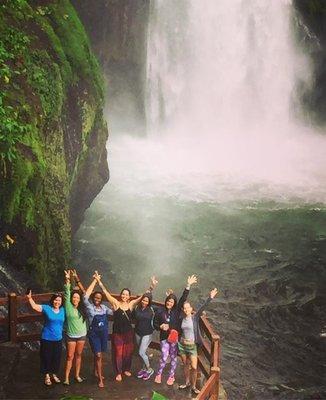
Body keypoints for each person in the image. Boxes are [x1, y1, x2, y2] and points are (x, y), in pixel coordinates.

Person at [94, 272, 157, 381]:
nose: (124, 296)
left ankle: (126, 369)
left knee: (128, 352)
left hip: (128, 333)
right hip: (117, 333)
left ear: (129, 296)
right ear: (121, 295)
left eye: (127, 294)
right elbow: (106, 293)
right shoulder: (116, 303)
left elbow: (143, 297)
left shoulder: (131, 304)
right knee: (118, 353)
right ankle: (118, 372)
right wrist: (99, 281)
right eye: (123, 294)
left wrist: (151, 286)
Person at [154, 275, 197, 386]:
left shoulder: (176, 311)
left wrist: (188, 285)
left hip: (174, 339)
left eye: (172, 302)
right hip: (164, 338)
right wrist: (160, 326)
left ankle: (171, 376)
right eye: (168, 301)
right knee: (164, 356)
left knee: (173, 357)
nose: (169, 303)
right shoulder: (160, 311)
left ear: (174, 303)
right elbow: (155, 324)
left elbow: (183, 298)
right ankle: (159, 373)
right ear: (166, 301)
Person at [75, 270, 113, 388]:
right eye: (95, 297)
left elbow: (115, 311)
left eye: (99, 297)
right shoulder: (89, 307)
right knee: (98, 355)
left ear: (101, 299)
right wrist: (95, 281)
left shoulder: (104, 308)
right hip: (94, 334)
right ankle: (100, 379)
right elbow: (85, 296)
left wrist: (120, 303)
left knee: (99, 354)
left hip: (103, 334)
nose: (97, 298)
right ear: (93, 298)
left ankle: (95, 371)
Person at [178, 287, 218, 395]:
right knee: (186, 364)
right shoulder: (181, 318)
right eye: (184, 308)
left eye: (188, 308)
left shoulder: (194, 317)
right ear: (183, 309)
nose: (186, 310)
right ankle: (186, 382)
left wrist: (210, 297)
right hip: (182, 345)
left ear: (191, 309)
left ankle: (194, 386)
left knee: (194, 367)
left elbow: (203, 307)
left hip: (192, 346)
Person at [27, 290, 65, 386]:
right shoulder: (47, 308)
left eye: (59, 300)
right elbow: (35, 306)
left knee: (56, 357)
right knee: (46, 357)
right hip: (47, 338)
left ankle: (54, 374)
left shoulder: (63, 310)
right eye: (56, 300)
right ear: (52, 301)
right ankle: (47, 375)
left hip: (58, 338)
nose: (57, 302)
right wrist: (29, 298)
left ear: (61, 302)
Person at [63, 270, 87, 385]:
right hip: (71, 335)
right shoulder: (68, 306)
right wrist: (68, 279)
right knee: (69, 356)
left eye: (77, 298)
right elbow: (67, 292)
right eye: (74, 297)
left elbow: (84, 292)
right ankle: (66, 377)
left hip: (82, 334)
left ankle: (77, 375)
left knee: (78, 355)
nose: (75, 299)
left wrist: (76, 278)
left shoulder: (82, 308)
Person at [133, 292, 157, 380]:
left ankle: (149, 369)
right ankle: (143, 368)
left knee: (141, 352)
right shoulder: (137, 308)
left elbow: (164, 310)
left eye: (147, 301)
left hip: (148, 333)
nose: (144, 302)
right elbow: (131, 316)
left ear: (149, 302)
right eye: (143, 300)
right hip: (138, 332)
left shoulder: (152, 309)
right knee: (143, 352)